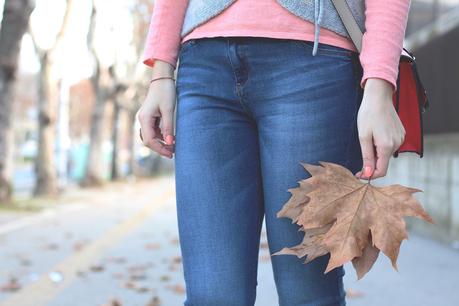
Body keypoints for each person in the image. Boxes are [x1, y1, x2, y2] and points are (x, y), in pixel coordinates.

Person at [137, 1, 410, 305]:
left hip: (314, 63)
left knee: (307, 292)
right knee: (211, 297)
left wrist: (380, 83)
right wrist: (161, 73)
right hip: (203, 67)